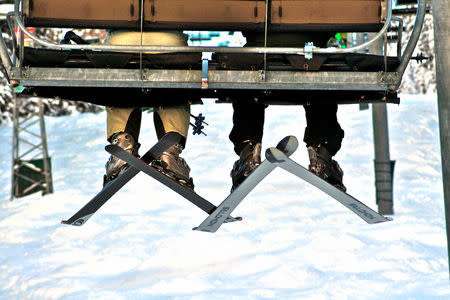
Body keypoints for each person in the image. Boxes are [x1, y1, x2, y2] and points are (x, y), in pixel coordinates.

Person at [229, 32, 346, 192]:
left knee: (247, 72)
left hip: (260, 50)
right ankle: (322, 153)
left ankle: (247, 151)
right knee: (320, 72)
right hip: (311, 52)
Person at [103, 31, 194, 189]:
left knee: (120, 70)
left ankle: (122, 144)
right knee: (174, 80)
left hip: (121, 42)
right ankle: (170, 152)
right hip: (170, 43)